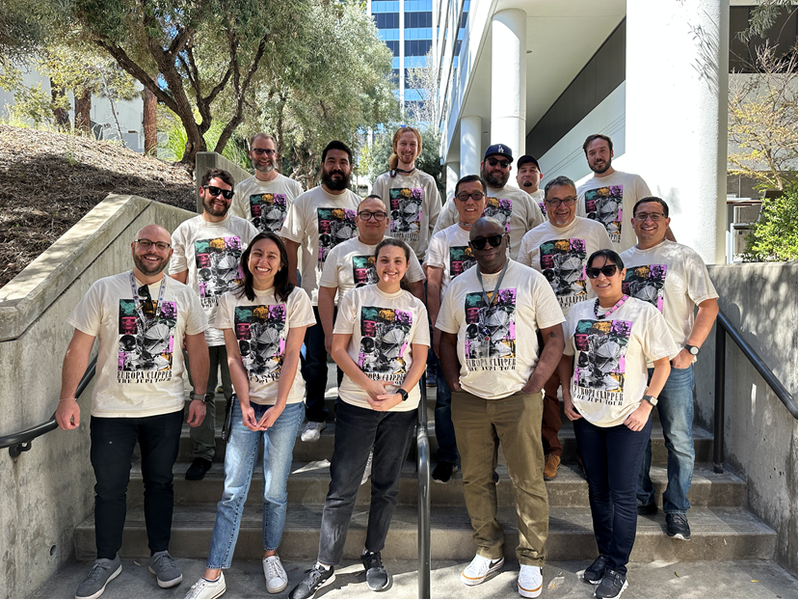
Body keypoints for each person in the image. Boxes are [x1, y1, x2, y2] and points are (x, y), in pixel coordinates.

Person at [56, 225, 209, 600]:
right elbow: (79, 347)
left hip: (166, 408)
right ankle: (107, 559)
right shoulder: (104, 289)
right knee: (109, 488)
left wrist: (200, 395)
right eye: (146, 243)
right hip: (112, 410)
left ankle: (160, 553)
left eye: (160, 245)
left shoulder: (184, 294)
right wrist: (67, 397)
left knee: (160, 483)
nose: (152, 250)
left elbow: (198, 347)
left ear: (171, 252)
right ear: (133, 247)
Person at [288, 239, 430, 600]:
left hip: (399, 409)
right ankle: (324, 563)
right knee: (343, 485)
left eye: (399, 261)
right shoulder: (355, 298)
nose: (392, 267)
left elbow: (419, 358)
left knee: (386, 485)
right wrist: (369, 386)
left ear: (407, 265)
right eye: (385, 260)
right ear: (375, 263)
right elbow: (337, 348)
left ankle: (373, 554)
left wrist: (398, 394)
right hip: (356, 403)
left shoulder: (415, 306)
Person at [437, 217, 564, 599]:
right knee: (475, 478)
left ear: (506, 240)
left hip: (518, 398)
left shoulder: (530, 279)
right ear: (470, 248)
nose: (488, 246)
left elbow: (555, 337)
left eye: (494, 239)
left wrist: (536, 383)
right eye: (479, 242)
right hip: (471, 398)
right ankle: (488, 549)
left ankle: (531, 558)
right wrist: (453, 381)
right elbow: (445, 339)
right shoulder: (459, 286)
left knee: (527, 479)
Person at [183, 232, 315, 600]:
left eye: (273, 255)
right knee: (232, 489)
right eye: (257, 254)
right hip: (246, 404)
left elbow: (292, 357)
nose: (264, 261)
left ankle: (271, 555)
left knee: (274, 489)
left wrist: (277, 403)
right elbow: (233, 358)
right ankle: (213, 574)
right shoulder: (229, 300)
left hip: (286, 406)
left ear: (282, 263)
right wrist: (242, 403)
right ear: (247, 260)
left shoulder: (297, 298)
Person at [559, 249, 678, 600]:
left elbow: (663, 364)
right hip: (587, 417)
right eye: (594, 272)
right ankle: (604, 555)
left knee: (623, 496)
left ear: (621, 273)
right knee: (597, 491)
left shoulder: (643, 312)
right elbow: (568, 356)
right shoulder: (577, 311)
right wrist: (566, 395)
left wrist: (647, 404)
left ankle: (618, 568)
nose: (601, 277)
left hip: (628, 419)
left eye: (608, 270)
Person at [620, 197, 719, 540]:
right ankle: (641, 497)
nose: (648, 221)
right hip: (635, 366)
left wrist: (690, 349)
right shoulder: (624, 261)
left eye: (655, 216)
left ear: (666, 220)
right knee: (637, 435)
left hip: (674, 365)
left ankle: (676, 507)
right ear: (632, 222)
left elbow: (709, 306)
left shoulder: (684, 256)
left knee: (679, 438)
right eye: (642, 216)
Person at [517, 175, 614, 480]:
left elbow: (611, 272)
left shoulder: (595, 230)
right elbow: (523, 286)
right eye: (554, 201)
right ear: (544, 204)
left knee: (587, 388)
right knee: (548, 393)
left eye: (568, 199)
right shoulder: (532, 238)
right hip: (546, 329)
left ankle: (589, 454)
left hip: (588, 325)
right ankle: (552, 451)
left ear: (576, 201)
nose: (562, 207)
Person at [170, 168, 258, 480]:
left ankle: (239, 449)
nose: (220, 198)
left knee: (241, 391)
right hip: (200, 330)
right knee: (201, 393)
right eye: (215, 191)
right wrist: (178, 327)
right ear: (202, 191)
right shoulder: (186, 231)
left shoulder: (244, 229)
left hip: (237, 328)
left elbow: (257, 278)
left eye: (227, 193)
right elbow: (177, 285)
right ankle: (203, 454)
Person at [281, 141, 360, 442]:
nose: (336, 166)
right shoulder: (304, 202)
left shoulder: (358, 204)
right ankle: (315, 415)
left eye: (342, 161)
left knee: (349, 358)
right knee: (314, 360)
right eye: (331, 161)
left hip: (351, 298)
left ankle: (347, 412)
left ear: (350, 168)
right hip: (314, 297)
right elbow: (290, 246)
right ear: (323, 165)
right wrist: (293, 289)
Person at [424, 174, 488, 483]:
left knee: (481, 398)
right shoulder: (442, 239)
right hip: (451, 330)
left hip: (486, 331)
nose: (470, 201)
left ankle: (479, 461)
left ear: (485, 201)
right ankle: (448, 456)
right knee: (448, 397)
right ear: (455, 202)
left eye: (476, 195)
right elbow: (433, 285)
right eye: (464, 196)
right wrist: (437, 326)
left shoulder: (495, 235)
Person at [433, 144, 544, 259]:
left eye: (504, 164)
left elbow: (541, 237)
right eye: (492, 162)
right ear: (482, 165)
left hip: (512, 273)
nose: (498, 167)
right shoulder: (460, 198)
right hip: (467, 272)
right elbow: (437, 239)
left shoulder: (524, 199)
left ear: (509, 168)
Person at [576, 133, 674, 251]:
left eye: (603, 150)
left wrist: (673, 251)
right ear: (587, 158)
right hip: (593, 265)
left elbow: (656, 217)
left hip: (627, 262)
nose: (598, 156)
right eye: (592, 153)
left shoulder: (633, 182)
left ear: (612, 153)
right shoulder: (579, 192)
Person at [370, 126, 441, 263]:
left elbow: (436, 223)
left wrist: (430, 259)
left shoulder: (427, 182)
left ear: (418, 148)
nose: (408, 148)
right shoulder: (383, 182)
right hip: (388, 260)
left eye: (412, 144)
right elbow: (374, 221)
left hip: (420, 260)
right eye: (403, 143)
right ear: (395, 147)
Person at [230, 133, 304, 233]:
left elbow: (302, 229)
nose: (264, 156)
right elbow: (236, 229)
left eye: (269, 151)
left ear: (275, 155)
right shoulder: (241, 190)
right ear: (251, 154)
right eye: (259, 151)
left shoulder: (294, 188)